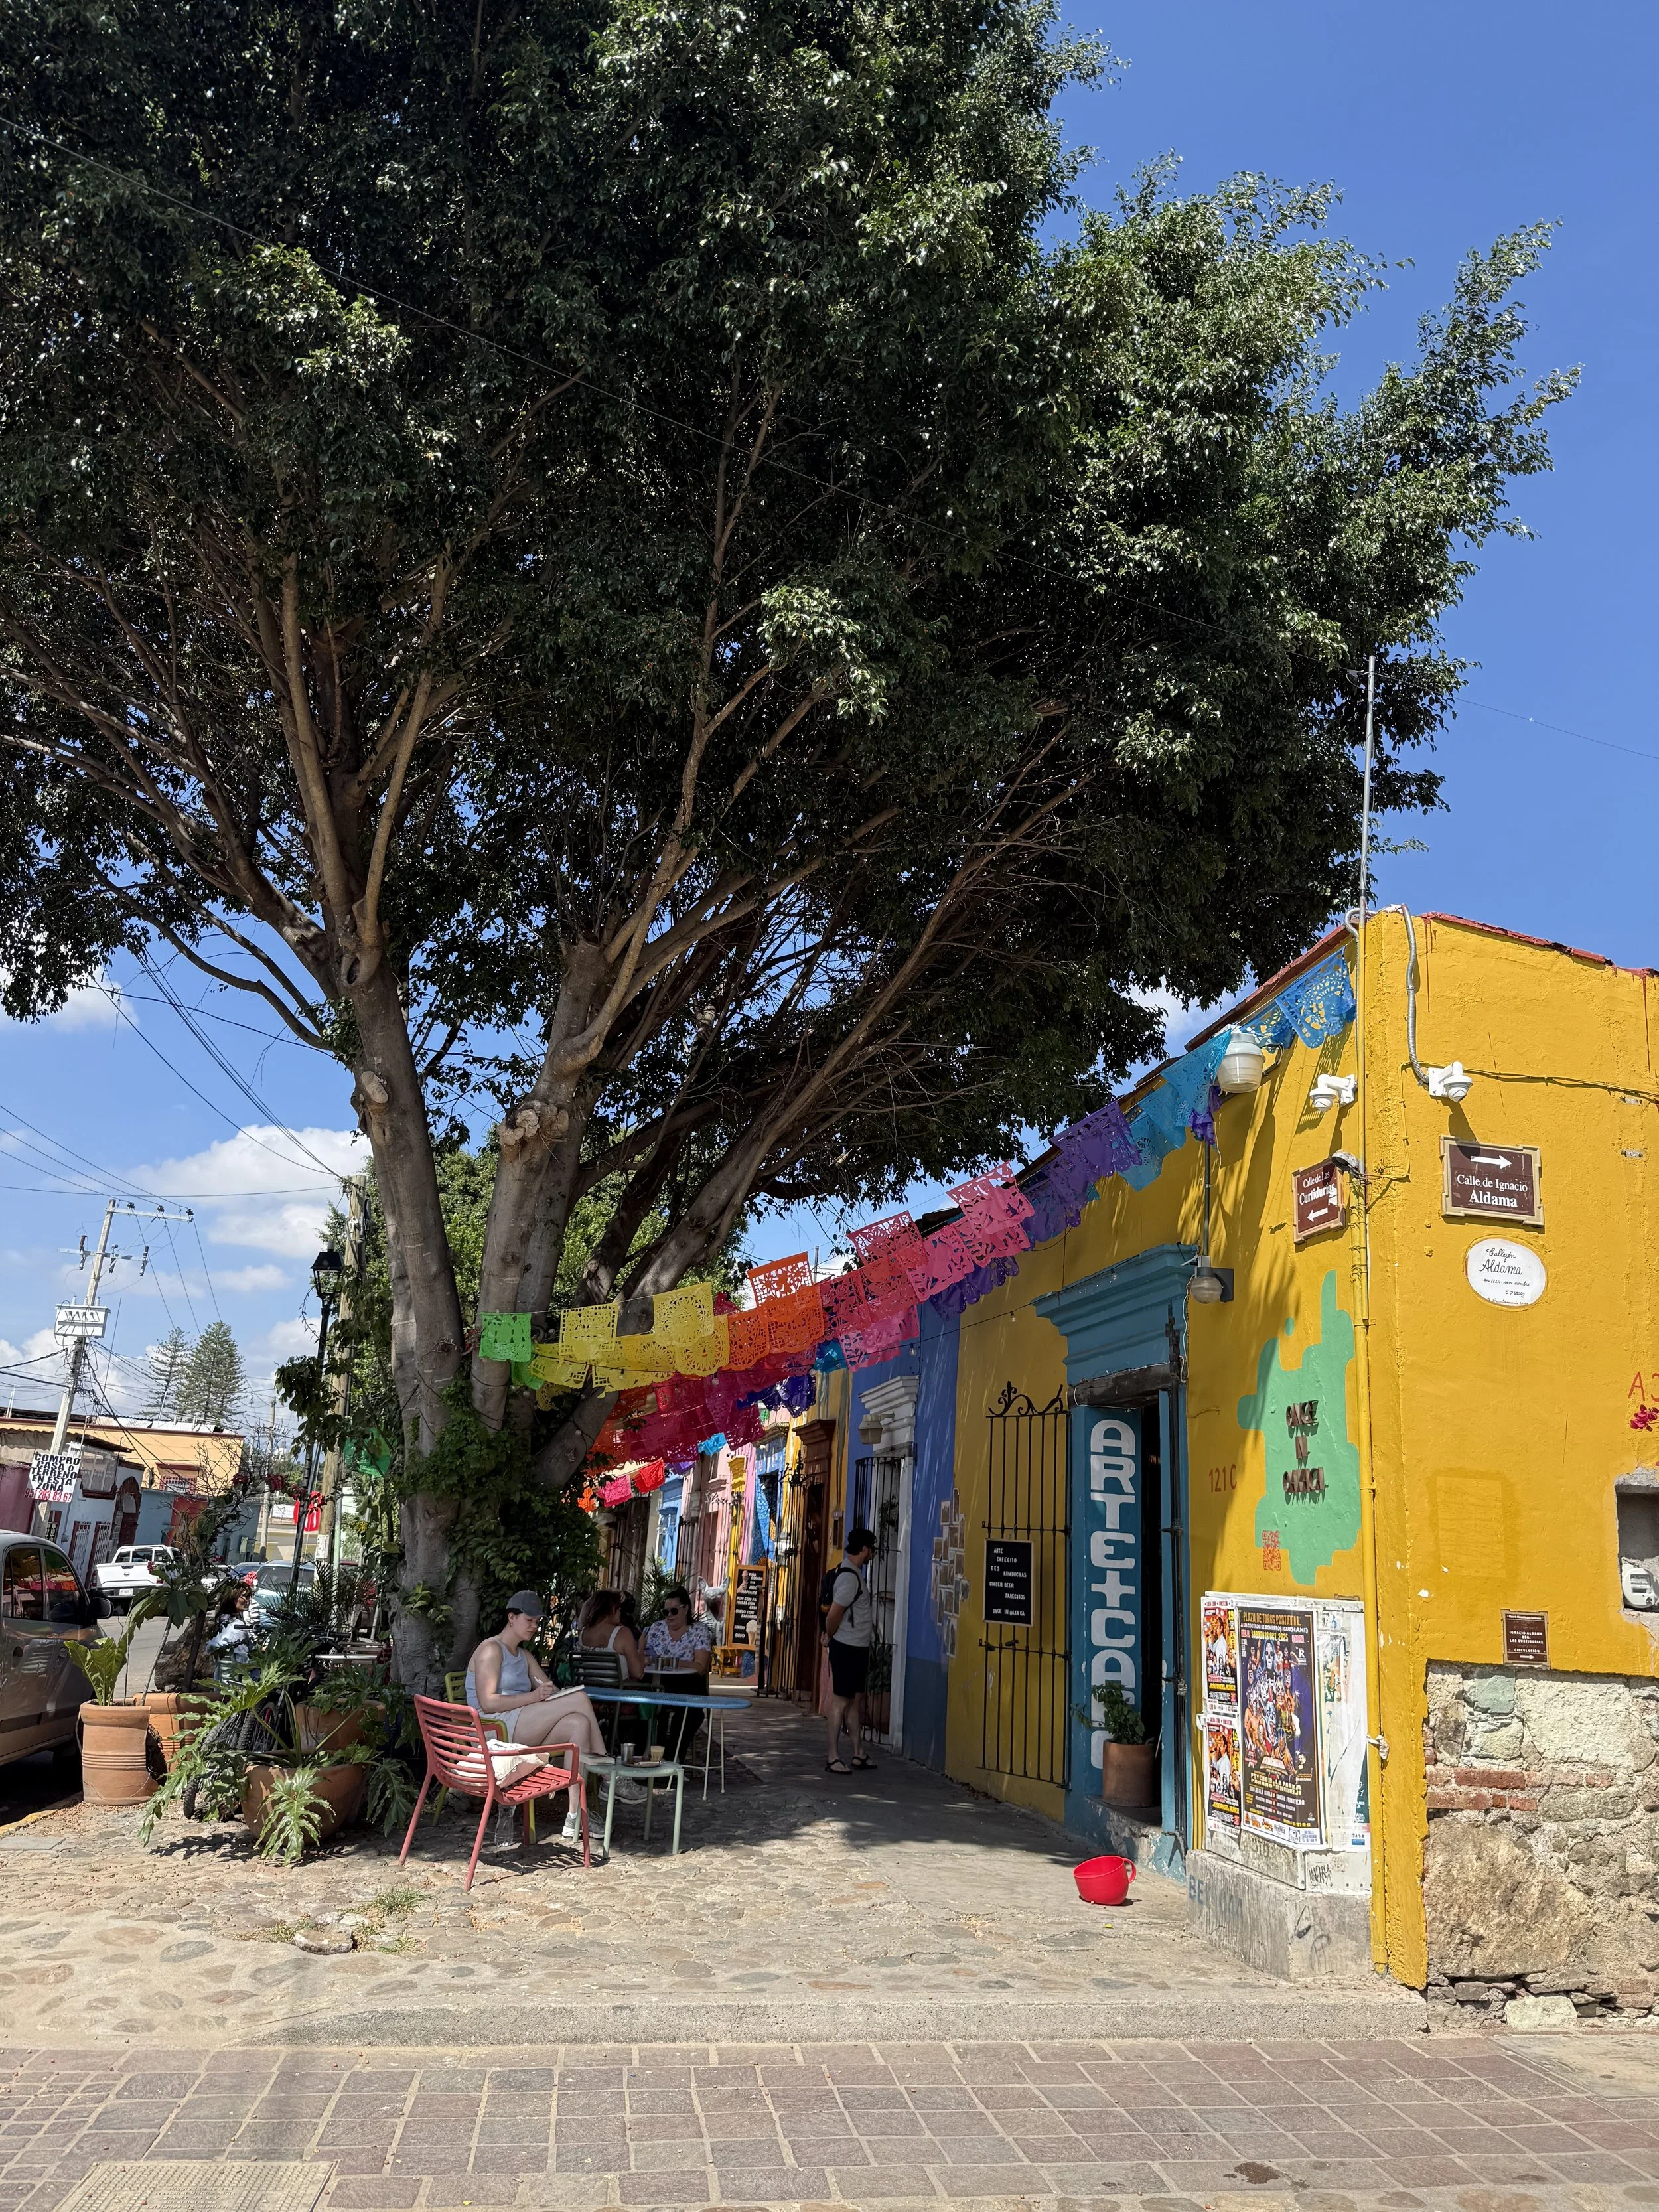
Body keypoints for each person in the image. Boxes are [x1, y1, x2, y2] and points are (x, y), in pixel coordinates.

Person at [465, 1590, 607, 1846]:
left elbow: (545, 1690)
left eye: (537, 1622)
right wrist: (534, 1696)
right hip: (496, 1731)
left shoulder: (524, 1655)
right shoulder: (490, 1649)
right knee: (581, 1701)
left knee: (579, 1723)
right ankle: (607, 1774)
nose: (534, 1626)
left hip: (521, 1721)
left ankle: (574, 1815)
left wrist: (553, 1693)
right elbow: (489, 1702)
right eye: (529, 1620)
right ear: (511, 1618)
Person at [823, 1526, 877, 1774]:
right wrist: (830, 1636)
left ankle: (859, 1753)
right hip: (847, 1648)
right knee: (841, 1701)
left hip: (855, 1647)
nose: (872, 1554)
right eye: (871, 1550)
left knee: (852, 1700)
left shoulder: (852, 1573)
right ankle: (833, 1757)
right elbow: (834, 1614)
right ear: (864, 1549)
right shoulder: (849, 1578)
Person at [642, 1584, 713, 1763]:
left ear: (686, 1609)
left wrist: (671, 1662)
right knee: (648, 1709)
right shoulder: (656, 1629)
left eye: (674, 1611)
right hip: (657, 1682)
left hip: (688, 1684)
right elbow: (643, 1657)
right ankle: (648, 1757)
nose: (669, 1616)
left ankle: (672, 1759)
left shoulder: (699, 1631)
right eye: (666, 1612)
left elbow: (701, 1667)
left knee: (691, 1714)